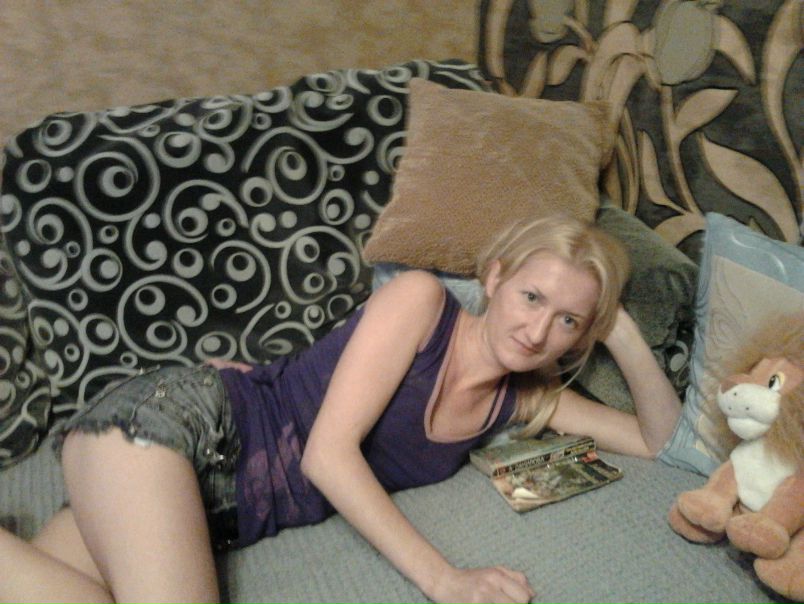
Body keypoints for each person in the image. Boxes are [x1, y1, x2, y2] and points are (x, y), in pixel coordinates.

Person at [0, 213, 682, 604]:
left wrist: (617, 330)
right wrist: (445, 580)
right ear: (495, 277)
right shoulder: (420, 302)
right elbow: (326, 457)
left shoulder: (528, 399)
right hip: (180, 426)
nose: (537, 332)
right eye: (532, 298)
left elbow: (660, 440)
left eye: (567, 321)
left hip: (209, 507)